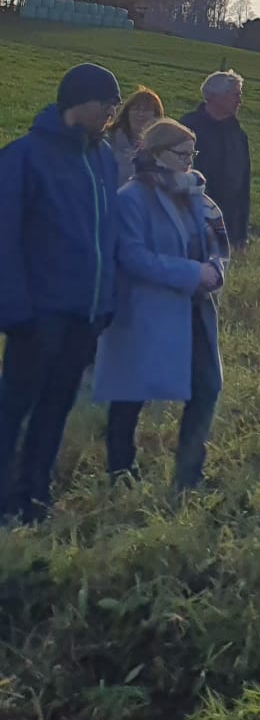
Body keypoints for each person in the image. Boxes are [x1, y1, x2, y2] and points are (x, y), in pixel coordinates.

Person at [0, 63, 123, 523]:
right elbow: (4, 239)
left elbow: (106, 237)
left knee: (55, 408)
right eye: (106, 103)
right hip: (37, 316)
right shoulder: (24, 157)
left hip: (84, 315)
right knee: (13, 408)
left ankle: (35, 496)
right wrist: (14, 310)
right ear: (78, 102)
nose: (113, 112)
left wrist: (105, 302)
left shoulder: (104, 158)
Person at [93, 119, 231, 489]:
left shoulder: (198, 195)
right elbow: (133, 256)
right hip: (147, 311)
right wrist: (191, 273)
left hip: (194, 308)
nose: (189, 161)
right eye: (180, 153)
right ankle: (120, 471)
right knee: (131, 391)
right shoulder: (132, 198)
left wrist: (216, 270)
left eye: (191, 153)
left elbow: (217, 245)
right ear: (155, 153)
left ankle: (188, 475)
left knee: (207, 388)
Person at [182, 70, 251, 248]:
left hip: (224, 226)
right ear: (214, 96)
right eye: (235, 95)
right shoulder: (188, 128)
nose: (239, 101)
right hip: (189, 220)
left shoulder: (238, 135)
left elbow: (243, 185)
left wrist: (241, 234)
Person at [108, 87, 165, 186]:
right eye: (136, 109)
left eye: (146, 110)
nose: (140, 114)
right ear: (127, 112)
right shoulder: (108, 140)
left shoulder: (163, 147)